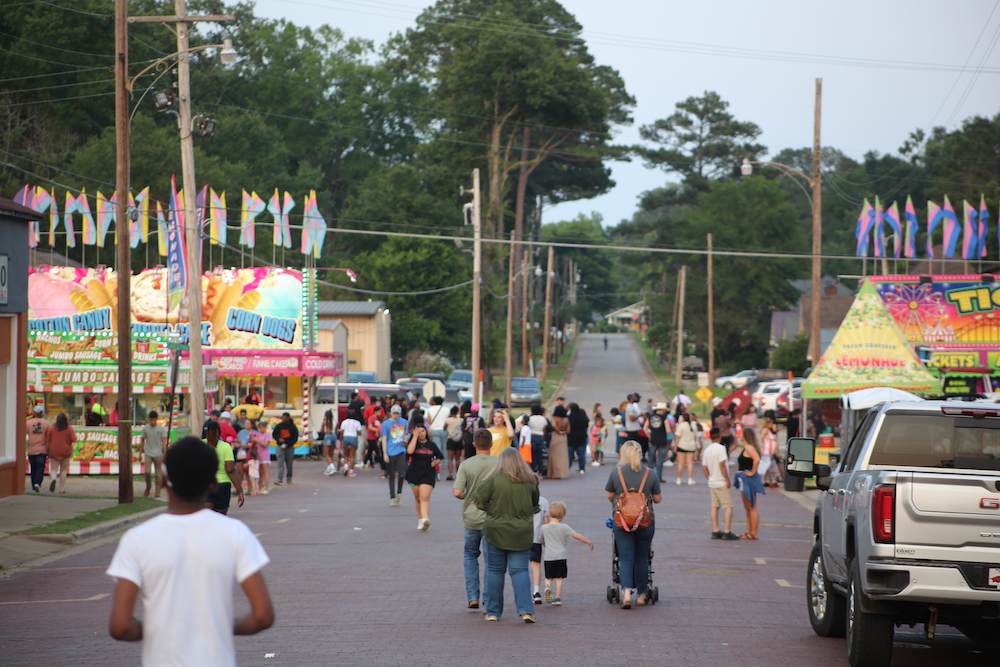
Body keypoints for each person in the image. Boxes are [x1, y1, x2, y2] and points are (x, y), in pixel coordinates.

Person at [106, 436, 274, 663]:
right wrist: (217, 625)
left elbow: (120, 626)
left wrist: (163, 629)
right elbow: (263, 615)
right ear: (213, 484)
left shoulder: (137, 539)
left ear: (165, 481)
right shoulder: (235, 533)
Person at [472, 448, 541, 623]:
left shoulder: (493, 480)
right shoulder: (531, 481)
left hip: (495, 529)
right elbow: (535, 506)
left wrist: (491, 510)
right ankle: (526, 610)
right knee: (520, 571)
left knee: (495, 571)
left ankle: (493, 611)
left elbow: (477, 501)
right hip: (521, 532)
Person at [605, 441, 662, 609]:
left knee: (625, 558)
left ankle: (627, 595)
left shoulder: (616, 473)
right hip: (644, 522)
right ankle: (642, 595)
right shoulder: (650, 474)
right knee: (642, 558)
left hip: (622, 522)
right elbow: (658, 499)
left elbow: (609, 496)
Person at [453, 429, 499, 611]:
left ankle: (473, 596)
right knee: (491, 561)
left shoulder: (466, 464)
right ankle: (488, 600)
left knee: (470, 555)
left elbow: (457, 492)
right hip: (493, 518)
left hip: (471, 517)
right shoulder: (499, 464)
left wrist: (468, 496)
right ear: (491, 444)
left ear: (474, 444)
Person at [539, 501, 593, 605]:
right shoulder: (564, 527)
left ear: (549, 514)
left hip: (549, 557)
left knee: (548, 577)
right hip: (561, 556)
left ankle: (547, 588)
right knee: (559, 578)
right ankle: (557, 598)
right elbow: (576, 535)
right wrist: (588, 541)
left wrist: (546, 544)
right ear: (563, 516)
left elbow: (542, 540)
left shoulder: (544, 528)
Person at [405, 423, 444, 530]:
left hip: (428, 474)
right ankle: (420, 519)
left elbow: (440, 457)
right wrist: (415, 436)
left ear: (426, 432)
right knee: (418, 499)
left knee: (424, 497)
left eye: (423, 431)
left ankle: (425, 518)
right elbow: (409, 452)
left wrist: (435, 462)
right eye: (419, 431)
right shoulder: (413, 443)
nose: (421, 433)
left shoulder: (431, 445)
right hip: (414, 474)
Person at [702, 427, 739, 540]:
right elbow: (722, 464)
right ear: (719, 436)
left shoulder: (707, 449)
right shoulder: (721, 448)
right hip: (721, 481)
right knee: (728, 506)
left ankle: (715, 529)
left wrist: (709, 477)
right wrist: (727, 479)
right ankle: (727, 531)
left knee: (715, 506)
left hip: (713, 481)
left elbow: (704, 466)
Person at [204, 422, 244, 515]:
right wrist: (240, 491)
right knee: (221, 518)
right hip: (222, 487)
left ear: (206, 432)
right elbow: (230, 470)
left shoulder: (200, 445)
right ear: (220, 432)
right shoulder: (226, 447)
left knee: (207, 519)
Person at [735, 427, 765, 540]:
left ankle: (754, 532)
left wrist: (752, 472)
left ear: (746, 435)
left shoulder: (748, 447)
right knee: (748, 507)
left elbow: (756, 459)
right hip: (744, 479)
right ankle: (749, 531)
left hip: (749, 479)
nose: (740, 435)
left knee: (752, 506)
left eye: (742, 433)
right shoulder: (746, 447)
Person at [381, 405, 408, 506]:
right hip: (390, 451)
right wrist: (384, 453)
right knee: (391, 475)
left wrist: (406, 440)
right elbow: (384, 439)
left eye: (398, 413)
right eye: (394, 413)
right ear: (391, 413)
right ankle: (392, 497)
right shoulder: (386, 424)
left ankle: (399, 493)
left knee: (402, 473)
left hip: (401, 450)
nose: (396, 415)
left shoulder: (404, 422)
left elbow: (406, 433)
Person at [46, 412, 76, 494]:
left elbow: (48, 441)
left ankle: (53, 479)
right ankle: (61, 489)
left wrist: (47, 450)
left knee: (53, 469)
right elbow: (74, 439)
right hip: (66, 451)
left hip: (54, 451)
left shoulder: (52, 428)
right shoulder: (69, 428)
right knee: (63, 470)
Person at [141, 411, 168, 498]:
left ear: (156, 420)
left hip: (158, 453)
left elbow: (164, 442)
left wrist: (165, 452)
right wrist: (140, 452)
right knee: (147, 472)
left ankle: (157, 492)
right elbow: (142, 441)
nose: (153, 422)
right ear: (149, 420)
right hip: (148, 452)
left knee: (158, 475)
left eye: (154, 420)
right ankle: (148, 486)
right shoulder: (145, 429)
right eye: (151, 420)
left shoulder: (161, 429)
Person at [26, 405, 51, 493]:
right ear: (42, 414)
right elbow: (49, 438)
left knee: (33, 468)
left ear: (34, 413)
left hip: (31, 449)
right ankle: (38, 483)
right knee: (40, 467)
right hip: (42, 449)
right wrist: (48, 450)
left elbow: (23, 434)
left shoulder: (28, 423)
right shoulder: (47, 424)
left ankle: (33, 486)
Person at [272, 413, 299, 486]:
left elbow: (295, 438)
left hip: (289, 447)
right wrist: (278, 439)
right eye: (282, 417)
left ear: (288, 418)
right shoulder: (279, 426)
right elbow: (274, 434)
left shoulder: (292, 427)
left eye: (284, 417)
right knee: (280, 463)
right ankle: (279, 478)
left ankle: (289, 478)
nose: (283, 419)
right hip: (280, 447)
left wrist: (289, 444)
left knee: (289, 463)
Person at [673, 413, 700, 485]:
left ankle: (678, 479)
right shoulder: (693, 425)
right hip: (691, 446)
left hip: (682, 445)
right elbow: (695, 436)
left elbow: (677, 437)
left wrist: (676, 446)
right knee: (690, 463)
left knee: (680, 463)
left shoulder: (681, 425)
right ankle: (690, 479)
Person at [647, 402, 670, 481]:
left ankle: (649, 476)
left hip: (653, 440)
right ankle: (658, 477)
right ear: (663, 410)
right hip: (662, 440)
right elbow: (668, 430)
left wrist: (650, 436)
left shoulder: (650, 417)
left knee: (651, 458)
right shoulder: (664, 418)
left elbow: (644, 428)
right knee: (660, 459)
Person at [566, 403, 589, 475]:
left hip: (571, 438)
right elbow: (586, 427)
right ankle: (582, 468)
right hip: (581, 438)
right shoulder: (583, 417)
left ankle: (567, 469)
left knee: (569, 455)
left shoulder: (569, 417)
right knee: (581, 455)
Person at [548, 405, 570, 479]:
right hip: (563, 438)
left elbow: (553, 425)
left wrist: (558, 431)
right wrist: (563, 431)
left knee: (553, 457)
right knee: (562, 457)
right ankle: (560, 473)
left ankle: (553, 474)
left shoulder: (554, 418)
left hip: (555, 436)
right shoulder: (566, 419)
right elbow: (568, 430)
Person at [338, 411, 363, 477]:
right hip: (353, 437)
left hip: (346, 437)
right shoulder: (357, 422)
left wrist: (341, 440)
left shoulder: (344, 422)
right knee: (352, 456)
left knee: (346, 455)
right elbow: (360, 432)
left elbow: (342, 432)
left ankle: (345, 467)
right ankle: (351, 472)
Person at [251, 420, 271, 495]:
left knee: (265, 471)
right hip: (258, 455)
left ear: (265, 428)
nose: (260, 430)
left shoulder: (267, 435)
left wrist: (257, 440)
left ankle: (266, 488)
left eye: (261, 428)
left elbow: (265, 444)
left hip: (265, 455)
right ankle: (258, 487)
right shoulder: (258, 434)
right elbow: (256, 444)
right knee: (260, 472)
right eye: (259, 428)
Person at [759, 416, 781, 488]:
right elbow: (761, 438)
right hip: (766, 451)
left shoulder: (768, 430)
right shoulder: (765, 430)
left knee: (769, 466)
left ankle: (767, 480)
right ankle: (768, 480)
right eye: (771, 423)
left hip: (769, 452)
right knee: (768, 466)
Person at [444, 406, 464, 480]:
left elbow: (444, 428)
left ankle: (451, 473)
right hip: (459, 440)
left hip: (451, 439)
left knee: (450, 458)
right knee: (458, 458)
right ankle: (458, 474)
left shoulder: (448, 420)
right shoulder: (461, 420)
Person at [527, 405, 548, 475]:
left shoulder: (530, 419)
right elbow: (545, 428)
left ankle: (533, 470)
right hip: (541, 436)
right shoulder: (543, 419)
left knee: (533, 455)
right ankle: (541, 472)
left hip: (533, 436)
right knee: (539, 455)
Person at [365, 405, 385, 475]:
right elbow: (370, 427)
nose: (380, 413)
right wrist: (378, 430)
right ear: (375, 412)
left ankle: (365, 463)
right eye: (379, 412)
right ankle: (383, 466)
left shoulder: (378, 419)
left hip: (376, 437)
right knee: (377, 452)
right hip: (371, 437)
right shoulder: (371, 418)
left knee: (370, 451)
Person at [321, 409, 340, 476]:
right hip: (334, 436)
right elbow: (337, 432)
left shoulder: (326, 422)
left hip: (328, 436)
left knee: (326, 454)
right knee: (331, 454)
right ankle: (329, 468)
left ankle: (332, 467)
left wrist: (323, 425)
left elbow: (322, 431)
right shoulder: (335, 422)